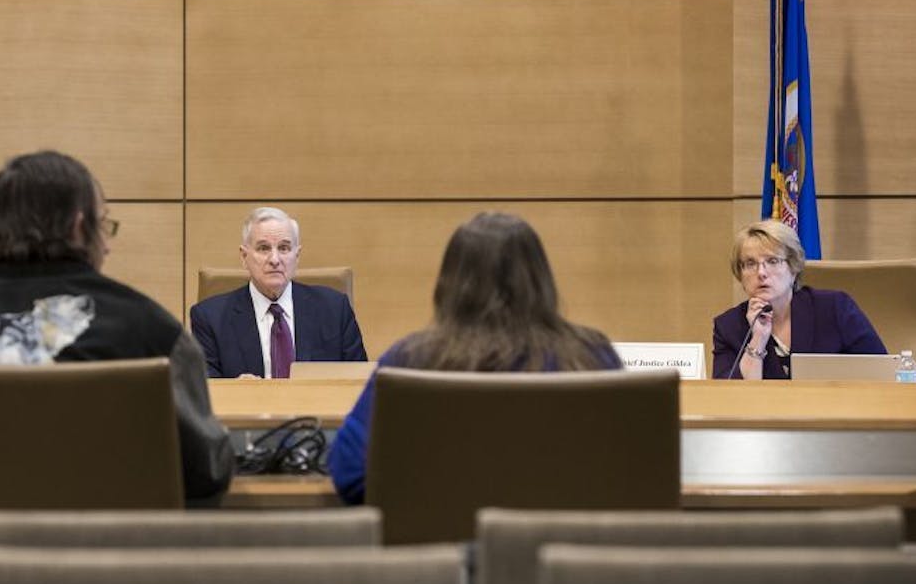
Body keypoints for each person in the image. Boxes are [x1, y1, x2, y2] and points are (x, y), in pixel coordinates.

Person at [0, 150, 233, 504]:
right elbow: (205, 470)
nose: (108, 246)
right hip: (107, 552)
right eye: (104, 225)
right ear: (80, 227)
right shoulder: (155, 331)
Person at [328, 212, 620, 504]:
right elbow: (636, 468)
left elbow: (349, 471)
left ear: (450, 284)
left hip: (439, 543)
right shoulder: (591, 355)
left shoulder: (411, 358)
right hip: (560, 544)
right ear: (541, 279)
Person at [189, 206, 366, 378]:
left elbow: (361, 385)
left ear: (297, 256)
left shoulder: (335, 310)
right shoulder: (210, 318)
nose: (275, 259)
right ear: (244, 257)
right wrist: (236, 391)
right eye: (263, 248)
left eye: (284, 248)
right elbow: (202, 393)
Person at [712, 219, 886, 380]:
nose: (761, 273)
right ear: (740, 274)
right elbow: (730, 398)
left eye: (772, 261)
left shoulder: (834, 309)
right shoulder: (729, 327)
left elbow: (884, 374)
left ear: (793, 268)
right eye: (750, 264)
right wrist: (757, 339)